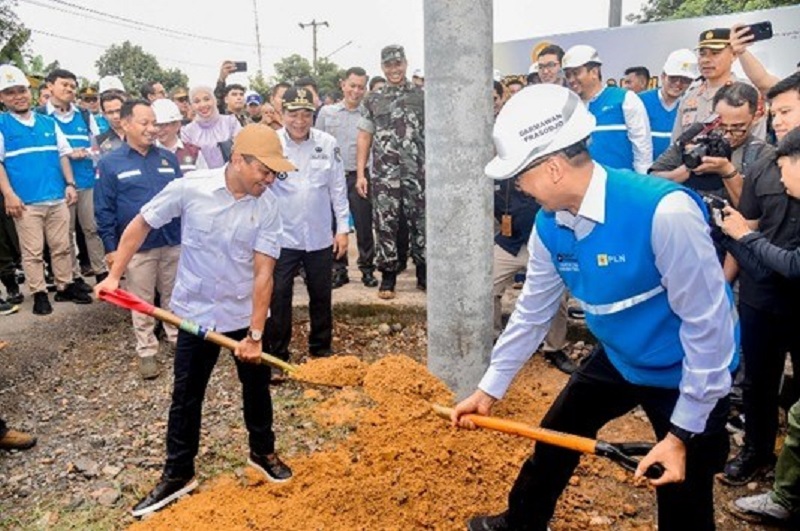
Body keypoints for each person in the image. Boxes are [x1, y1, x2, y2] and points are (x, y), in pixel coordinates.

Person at [452, 84, 737, 531]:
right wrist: (489, 390)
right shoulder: (551, 226)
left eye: (519, 177)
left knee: (682, 493)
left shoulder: (664, 212)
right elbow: (531, 314)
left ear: (552, 169)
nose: (519, 189)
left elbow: (709, 328)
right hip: (619, 356)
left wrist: (682, 434)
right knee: (556, 437)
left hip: (685, 368)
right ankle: (522, 521)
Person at [95, 124, 296, 517]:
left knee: (257, 388)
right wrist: (115, 275)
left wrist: (255, 335)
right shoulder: (191, 188)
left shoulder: (269, 205)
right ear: (239, 160)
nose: (270, 179)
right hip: (195, 313)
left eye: (275, 173)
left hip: (243, 314)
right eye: (265, 171)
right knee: (186, 395)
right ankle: (178, 473)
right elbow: (141, 224)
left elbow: (263, 273)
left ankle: (263, 451)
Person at [714, 72, 800, 487]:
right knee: (759, 382)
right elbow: (742, 228)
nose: (778, 120)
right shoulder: (765, 162)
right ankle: (756, 451)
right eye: (776, 111)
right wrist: (723, 286)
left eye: (787, 111)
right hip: (761, 295)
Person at [94, 100, 182, 380]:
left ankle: (178, 339)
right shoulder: (110, 163)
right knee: (140, 300)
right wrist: (111, 248)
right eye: (145, 123)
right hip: (137, 249)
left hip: (172, 240)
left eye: (154, 122)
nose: (152, 128)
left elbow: (183, 200)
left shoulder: (168, 159)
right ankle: (146, 351)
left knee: (175, 296)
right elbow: (104, 209)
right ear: (125, 124)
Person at [0, 64, 91, 315]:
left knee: (62, 246)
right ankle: (39, 292)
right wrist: (9, 194)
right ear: (1, 98)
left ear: (30, 91)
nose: (17, 96)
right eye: (10, 92)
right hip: (26, 202)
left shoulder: (47, 123)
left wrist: (70, 184)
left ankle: (64, 287)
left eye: (21, 90)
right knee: (33, 252)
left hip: (57, 197)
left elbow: (63, 155)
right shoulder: (2, 124)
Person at [265, 87, 349, 360]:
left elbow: (338, 190)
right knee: (278, 297)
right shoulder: (271, 144)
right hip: (282, 237)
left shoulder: (327, 143)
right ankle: (278, 355)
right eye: (293, 114)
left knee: (322, 295)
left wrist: (343, 229)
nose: (299, 121)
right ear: (282, 113)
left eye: (306, 115)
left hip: (319, 235)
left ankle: (321, 350)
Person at [356, 44, 426, 299]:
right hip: (384, 174)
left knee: (421, 222)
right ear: (382, 67)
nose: (394, 69)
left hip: (417, 172)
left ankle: (423, 271)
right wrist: (362, 173)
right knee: (385, 224)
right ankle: (388, 275)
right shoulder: (372, 99)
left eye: (398, 64)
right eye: (388, 65)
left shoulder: (422, 96)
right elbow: (364, 136)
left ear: (405, 63)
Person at [650, 82, 769, 210]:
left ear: (754, 118)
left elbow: (753, 213)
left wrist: (727, 172)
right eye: (721, 126)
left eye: (738, 127)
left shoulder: (762, 154)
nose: (728, 136)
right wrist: (688, 168)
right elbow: (652, 182)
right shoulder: (694, 137)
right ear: (713, 116)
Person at [41, 69, 108, 288]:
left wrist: (86, 152)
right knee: (65, 235)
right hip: (58, 186)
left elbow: (101, 146)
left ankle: (102, 272)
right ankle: (73, 277)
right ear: (50, 86)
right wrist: (67, 153)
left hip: (87, 181)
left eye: (72, 86)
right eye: (64, 84)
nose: (69, 89)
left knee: (92, 229)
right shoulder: (40, 116)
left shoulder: (85, 115)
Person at [316, 67, 379, 288]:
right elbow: (317, 144)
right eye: (352, 85)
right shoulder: (327, 113)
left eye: (361, 87)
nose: (356, 91)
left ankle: (367, 269)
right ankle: (338, 269)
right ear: (343, 84)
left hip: (359, 176)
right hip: (332, 178)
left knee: (363, 225)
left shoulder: (368, 113)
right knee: (334, 225)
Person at [562, 44, 652, 173]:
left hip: (622, 185)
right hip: (584, 188)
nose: (571, 80)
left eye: (576, 73)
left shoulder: (625, 99)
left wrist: (643, 184)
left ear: (594, 72)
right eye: (568, 75)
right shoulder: (570, 108)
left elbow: (643, 149)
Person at [673, 28, 766, 142]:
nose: (705, 60)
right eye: (702, 54)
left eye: (715, 53)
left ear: (733, 55)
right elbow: (676, 144)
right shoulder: (690, 97)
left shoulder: (748, 94)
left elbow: (758, 145)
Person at [638, 49, 698, 161]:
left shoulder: (692, 106)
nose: (678, 84)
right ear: (663, 76)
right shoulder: (639, 102)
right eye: (673, 78)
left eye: (685, 80)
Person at [181, 86, 241, 169]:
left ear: (214, 100)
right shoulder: (187, 131)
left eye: (206, 99)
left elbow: (242, 153)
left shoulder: (231, 123)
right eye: (197, 101)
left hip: (231, 177)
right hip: (201, 179)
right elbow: (188, 163)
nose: (203, 105)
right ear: (192, 106)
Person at [152, 99, 207, 173]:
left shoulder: (193, 152)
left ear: (177, 125)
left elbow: (205, 180)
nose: (159, 130)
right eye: (156, 125)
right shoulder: (148, 152)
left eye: (164, 125)